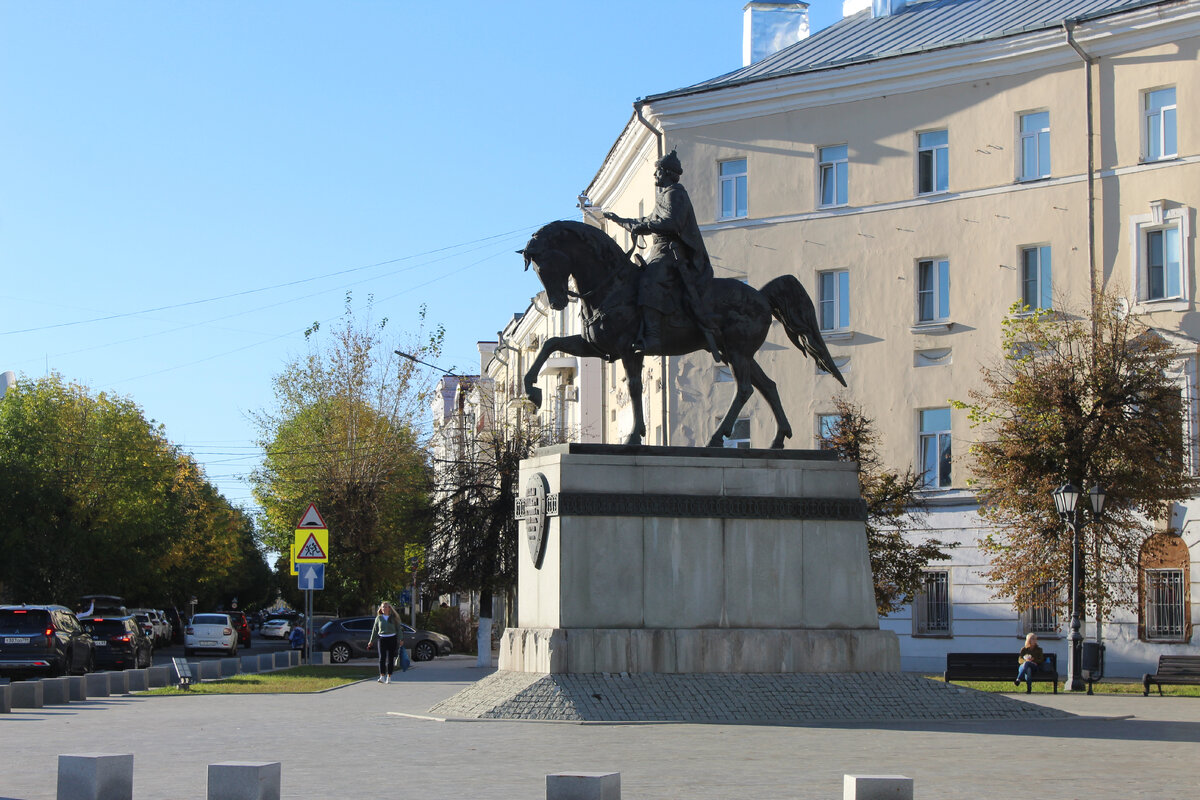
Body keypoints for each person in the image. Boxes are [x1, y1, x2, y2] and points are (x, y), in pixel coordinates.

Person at [603, 149, 721, 360]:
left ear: (666, 172)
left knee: (650, 280)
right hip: (660, 250)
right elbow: (645, 222)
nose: (655, 175)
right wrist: (618, 220)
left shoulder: (675, 193)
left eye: (657, 171)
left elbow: (672, 223)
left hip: (672, 252)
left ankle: (654, 336)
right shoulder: (665, 196)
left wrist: (645, 226)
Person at [366, 601, 402, 684]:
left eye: (386, 607)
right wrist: (371, 641)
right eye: (382, 607)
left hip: (392, 638)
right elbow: (374, 630)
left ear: (389, 608)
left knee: (390, 658)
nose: (384, 608)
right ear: (381, 609)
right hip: (382, 639)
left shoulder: (393, 618)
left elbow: (398, 629)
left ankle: (389, 676)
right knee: (382, 658)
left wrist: (400, 639)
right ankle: (382, 676)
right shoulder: (379, 618)